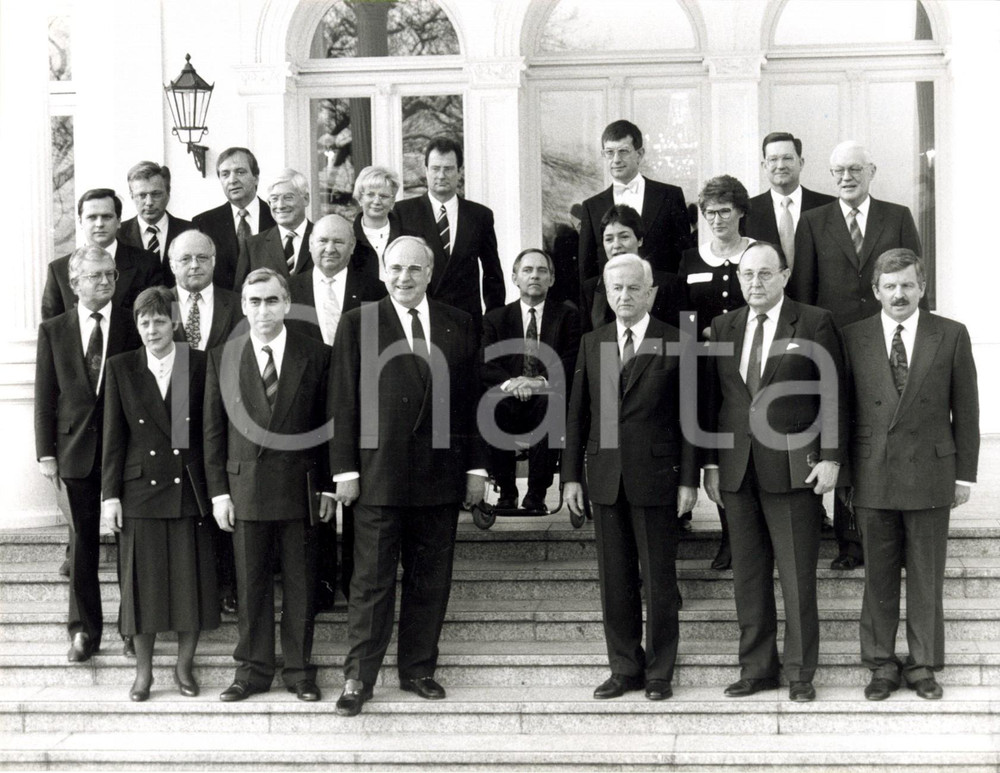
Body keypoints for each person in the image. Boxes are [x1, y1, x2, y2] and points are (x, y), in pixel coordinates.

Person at [329, 236, 486, 717]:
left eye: (414, 269)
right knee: (371, 582)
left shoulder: (459, 323)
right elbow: (342, 399)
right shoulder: (359, 322)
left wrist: (477, 469)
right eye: (395, 268)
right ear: (382, 270)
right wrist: (345, 471)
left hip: (440, 474)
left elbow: (472, 402)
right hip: (378, 475)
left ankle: (418, 669)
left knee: (430, 580)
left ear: (430, 271)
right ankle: (359, 676)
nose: (404, 277)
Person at [703, 241, 846, 703]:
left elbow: (834, 392)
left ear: (784, 276)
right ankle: (757, 668)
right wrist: (710, 462)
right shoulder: (724, 325)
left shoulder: (813, 320)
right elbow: (716, 401)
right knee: (748, 575)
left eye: (765, 274)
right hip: (738, 470)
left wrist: (831, 456)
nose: (755, 283)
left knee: (797, 576)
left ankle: (801, 673)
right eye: (747, 275)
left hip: (793, 468)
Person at [841, 249, 979, 702]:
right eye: (890, 286)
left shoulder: (951, 334)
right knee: (877, 576)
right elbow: (842, 410)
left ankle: (922, 666)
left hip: (932, 473)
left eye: (908, 285)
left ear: (922, 287)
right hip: (872, 473)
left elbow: (968, 411)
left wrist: (965, 476)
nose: (899, 294)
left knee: (926, 577)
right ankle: (881, 663)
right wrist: (843, 474)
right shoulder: (853, 337)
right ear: (876, 289)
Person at [564, 253, 698, 702]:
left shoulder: (677, 341)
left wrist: (689, 481)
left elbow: (690, 419)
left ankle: (660, 670)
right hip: (604, 477)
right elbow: (577, 416)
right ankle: (624, 667)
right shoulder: (592, 341)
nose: (624, 296)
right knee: (614, 578)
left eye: (633, 288)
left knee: (659, 579)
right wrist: (570, 478)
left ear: (651, 292)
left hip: (657, 476)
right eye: (615, 288)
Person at [790, 140, 923, 571]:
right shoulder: (813, 222)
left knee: (891, 431)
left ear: (872, 171)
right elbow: (804, 292)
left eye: (854, 169)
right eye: (838, 171)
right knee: (843, 433)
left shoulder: (897, 217)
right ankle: (850, 541)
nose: (846, 177)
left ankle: (895, 533)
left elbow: (918, 280)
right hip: (837, 347)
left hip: (890, 343)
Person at [204, 268, 333, 703]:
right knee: (250, 584)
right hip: (245, 490)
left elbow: (329, 426)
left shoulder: (316, 354)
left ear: (287, 303)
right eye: (255, 302)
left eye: (272, 301)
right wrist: (219, 492)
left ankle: (298, 671)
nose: (264, 310)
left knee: (300, 585)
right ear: (243, 306)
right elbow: (212, 432)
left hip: (300, 489)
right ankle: (252, 670)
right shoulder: (223, 356)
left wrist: (329, 487)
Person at [100, 287, 219, 701]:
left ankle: (184, 667)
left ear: (175, 324)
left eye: (160, 321)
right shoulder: (121, 367)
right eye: (144, 322)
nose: (152, 329)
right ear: (137, 326)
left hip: (188, 487)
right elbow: (113, 437)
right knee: (143, 586)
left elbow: (208, 433)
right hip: (139, 492)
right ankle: (144, 672)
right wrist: (109, 497)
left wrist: (216, 489)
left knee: (190, 582)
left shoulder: (199, 364)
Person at [34, 246, 141, 663]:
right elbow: (45, 395)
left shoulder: (132, 326)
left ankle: (133, 628)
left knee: (131, 544)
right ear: (74, 283)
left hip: (127, 453)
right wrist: (46, 453)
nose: (105, 282)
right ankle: (83, 632)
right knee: (82, 548)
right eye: (95, 276)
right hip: (73, 451)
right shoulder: (54, 330)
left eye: (110, 275)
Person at [288, 213, 386, 608]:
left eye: (339, 243)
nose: (330, 249)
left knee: (355, 495)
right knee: (315, 498)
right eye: (323, 241)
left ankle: (354, 584)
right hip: (303, 410)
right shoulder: (289, 288)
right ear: (310, 245)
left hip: (357, 407)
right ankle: (321, 586)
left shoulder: (375, 290)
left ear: (352, 247)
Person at [678, 175, 754, 569]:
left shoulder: (759, 254)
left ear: (741, 211)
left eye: (725, 211)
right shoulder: (692, 259)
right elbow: (684, 319)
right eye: (710, 213)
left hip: (752, 366)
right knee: (719, 449)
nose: (718, 219)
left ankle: (754, 538)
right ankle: (730, 536)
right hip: (708, 369)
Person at [168, 230, 245, 616]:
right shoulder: (157, 305)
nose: (194, 266)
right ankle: (190, 590)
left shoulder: (237, 305)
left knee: (223, 497)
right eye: (185, 259)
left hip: (226, 418)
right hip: (173, 420)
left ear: (214, 261)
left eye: (201, 258)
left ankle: (228, 586)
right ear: (172, 264)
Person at [480, 248, 580, 511]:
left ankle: (536, 493)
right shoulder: (495, 318)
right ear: (515, 278)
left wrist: (539, 382)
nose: (534, 276)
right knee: (491, 406)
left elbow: (572, 360)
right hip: (508, 399)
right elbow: (487, 362)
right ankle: (507, 493)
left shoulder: (569, 317)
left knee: (551, 405)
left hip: (548, 397)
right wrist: (514, 384)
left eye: (541, 270)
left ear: (552, 279)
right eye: (527, 270)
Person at [393, 136, 504, 332]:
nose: (441, 175)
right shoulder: (403, 213)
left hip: (466, 323)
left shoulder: (479, 216)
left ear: (459, 172)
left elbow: (492, 274)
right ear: (426, 171)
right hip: (418, 320)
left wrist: (493, 322)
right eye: (435, 168)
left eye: (448, 169)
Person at [577, 119, 690, 287]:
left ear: (640, 153)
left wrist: (686, 314)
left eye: (623, 151)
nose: (616, 159)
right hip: (611, 307)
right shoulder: (591, 207)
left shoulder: (670, 196)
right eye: (609, 152)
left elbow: (684, 257)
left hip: (663, 303)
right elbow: (587, 269)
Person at [41, 189, 163, 320]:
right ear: (80, 221)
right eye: (92, 217)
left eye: (107, 217)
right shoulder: (58, 269)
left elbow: (161, 315)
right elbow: (52, 327)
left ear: (119, 221)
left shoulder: (147, 263)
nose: (99, 224)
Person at [580, 205, 686, 334]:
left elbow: (684, 337)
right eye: (609, 239)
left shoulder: (671, 284)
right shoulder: (591, 289)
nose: (616, 245)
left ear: (640, 240)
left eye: (624, 237)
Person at [742, 132, 835, 267]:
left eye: (787, 158)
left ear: (801, 163)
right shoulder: (747, 210)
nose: (780, 166)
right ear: (764, 166)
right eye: (773, 159)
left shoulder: (829, 206)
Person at [192, 147, 277, 292]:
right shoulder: (203, 223)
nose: (232, 180)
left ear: (256, 177)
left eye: (240, 172)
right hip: (223, 310)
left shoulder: (276, 217)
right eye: (225, 174)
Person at [233, 169, 314, 288]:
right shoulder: (253, 246)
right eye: (274, 199)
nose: (280, 205)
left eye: (288, 197)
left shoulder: (324, 239)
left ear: (306, 199)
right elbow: (239, 296)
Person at [118, 161, 194, 287]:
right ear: (132, 196)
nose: (149, 202)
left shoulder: (190, 231)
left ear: (168, 194)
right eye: (142, 195)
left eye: (156, 194)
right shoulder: (119, 234)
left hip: (176, 306)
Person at [351, 165, 402, 279]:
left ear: (393, 201)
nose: (377, 201)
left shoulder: (406, 237)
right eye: (370, 194)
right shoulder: (348, 239)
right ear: (360, 199)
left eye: (383, 196)